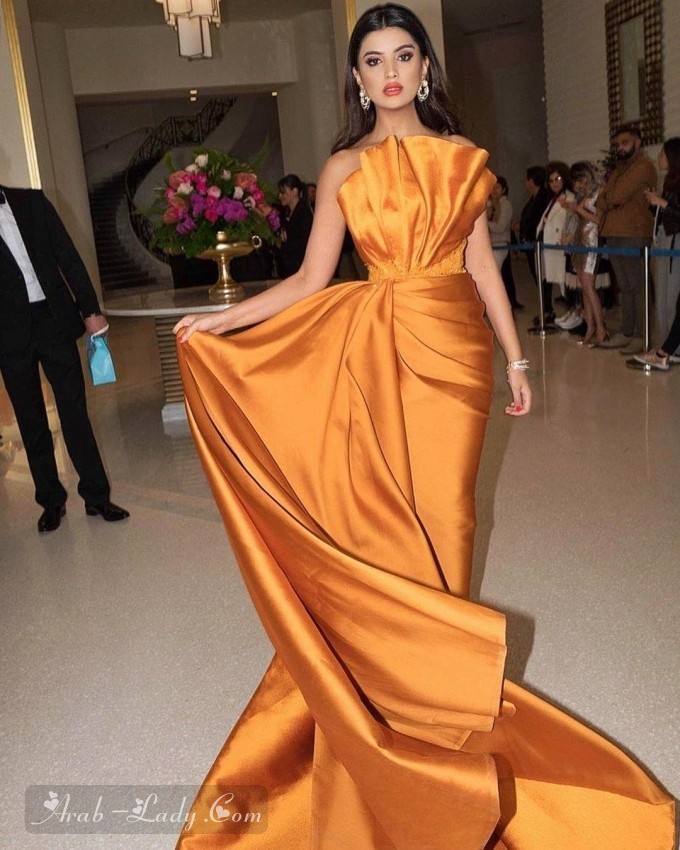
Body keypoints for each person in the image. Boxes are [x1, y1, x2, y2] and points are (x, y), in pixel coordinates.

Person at [172, 5, 674, 848]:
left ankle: (437, 707)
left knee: (448, 525)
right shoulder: (342, 168)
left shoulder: (461, 158)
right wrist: (222, 322)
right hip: (376, 353)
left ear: (426, 68)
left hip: (454, 359)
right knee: (384, 530)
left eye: (404, 56)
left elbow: (482, 266)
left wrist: (516, 359)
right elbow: (310, 280)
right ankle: (392, 706)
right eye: (374, 61)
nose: (391, 73)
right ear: (357, 79)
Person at [0, 185, 129, 533]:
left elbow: (67, 255)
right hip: (8, 333)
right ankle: (51, 501)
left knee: (75, 411)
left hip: (53, 319)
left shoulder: (32, 202)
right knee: (31, 420)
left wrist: (90, 310)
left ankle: (97, 496)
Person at [597, 124, 657, 354]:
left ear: (637, 142)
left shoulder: (643, 166)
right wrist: (609, 199)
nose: (620, 148)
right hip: (614, 232)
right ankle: (627, 331)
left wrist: (609, 199)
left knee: (638, 286)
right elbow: (602, 199)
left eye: (625, 143)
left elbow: (615, 196)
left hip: (633, 233)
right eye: (617, 144)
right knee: (624, 286)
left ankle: (642, 335)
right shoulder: (619, 169)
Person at [559, 161, 609, 346]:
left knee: (589, 287)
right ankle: (590, 328)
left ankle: (601, 330)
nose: (579, 185)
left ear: (588, 176)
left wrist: (578, 209)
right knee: (584, 288)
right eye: (576, 182)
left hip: (592, 242)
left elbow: (599, 220)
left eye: (581, 180)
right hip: (580, 241)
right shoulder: (583, 196)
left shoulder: (599, 193)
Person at [642, 136, 680, 356]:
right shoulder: (669, 182)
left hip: (675, 242)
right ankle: (667, 344)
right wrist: (654, 202)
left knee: (672, 294)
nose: (659, 158)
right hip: (666, 238)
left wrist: (662, 203)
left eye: (663, 153)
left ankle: (673, 348)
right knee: (663, 293)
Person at [537, 161, 575, 327]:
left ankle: (575, 314)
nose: (554, 183)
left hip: (561, 246)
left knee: (566, 283)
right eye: (551, 180)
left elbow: (571, 222)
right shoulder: (553, 198)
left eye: (558, 179)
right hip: (549, 246)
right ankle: (569, 312)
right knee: (555, 281)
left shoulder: (570, 197)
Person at [516, 164, 550, 316]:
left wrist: (523, 226)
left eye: (527, 179)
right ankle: (545, 308)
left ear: (532, 181)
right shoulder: (534, 198)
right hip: (531, 244)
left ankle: (547, 309)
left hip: (538, 243)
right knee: (538, 277)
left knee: (542, 277)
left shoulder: (543, 198)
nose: (525, 183)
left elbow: (538, 221)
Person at [276, 174, 313, 278]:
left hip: (298, 266)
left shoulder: (303, 213)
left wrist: (286, 241)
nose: (280, 196)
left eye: (283, 193)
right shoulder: (286, 213)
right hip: (289, 266)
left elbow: (304, 242)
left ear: (294, 191)